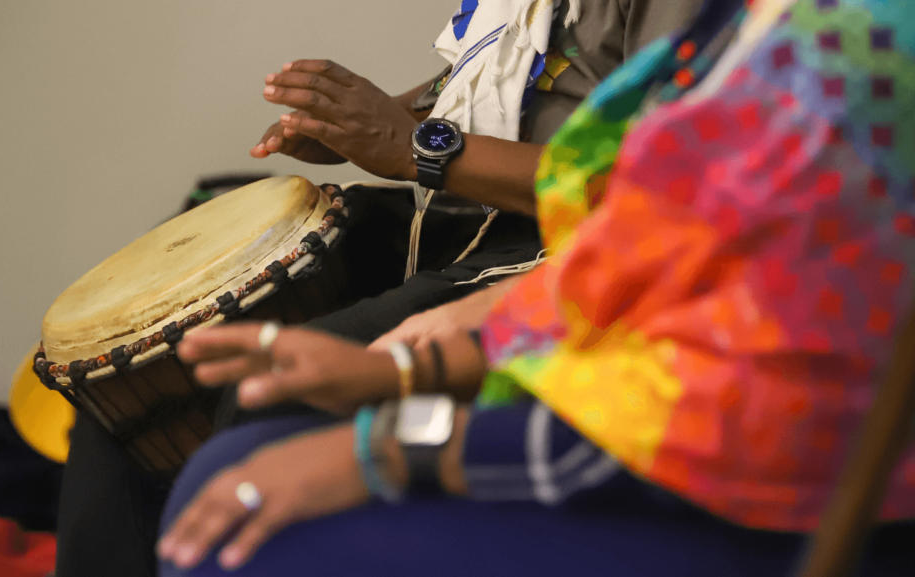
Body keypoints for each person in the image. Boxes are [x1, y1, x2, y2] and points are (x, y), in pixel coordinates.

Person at [157, 0, 915, 574]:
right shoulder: (760, 28)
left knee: (230, 520)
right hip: (657, 443)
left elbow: (710, 408)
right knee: (227, 457)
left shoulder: (854, 53)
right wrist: (412, 368)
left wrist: (385, 449)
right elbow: (648, 249)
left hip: (755, 515)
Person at [54, 1, 704, 576]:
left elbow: (667, 192)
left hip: (563, 246)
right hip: (454, 212)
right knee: (145, 344)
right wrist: (362, 121)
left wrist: (414, 145)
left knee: (275, 385)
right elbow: (511, 74)